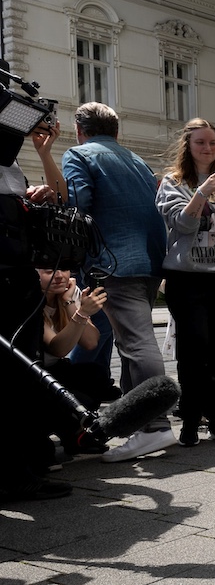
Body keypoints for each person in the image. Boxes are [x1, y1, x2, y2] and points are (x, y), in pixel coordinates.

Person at [62, 102, 178, 462]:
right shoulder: (136, 160)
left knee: (137, 344)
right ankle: (137, 426)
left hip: (112, 260)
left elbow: (78, 204)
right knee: (130, 347)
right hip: (148, 258)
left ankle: (156, 427)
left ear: (80, 130)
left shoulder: (78, 155)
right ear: (116, 132)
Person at [156, 118, 215, 447]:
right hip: (188, 279)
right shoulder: (173, 182)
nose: (209, 148)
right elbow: (182, 225)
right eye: (201, 142)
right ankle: (195, 419)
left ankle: (209, 413)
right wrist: (202, 191)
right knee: (193, 349)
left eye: (214, 143)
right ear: (188, 146)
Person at [1, 115, 74, 500]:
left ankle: (24, 464)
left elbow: (62, 196)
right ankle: (14, 471)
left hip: (17, 272)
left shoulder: (10, 164)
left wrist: (44, 154)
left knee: (23, 371)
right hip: (6, 277)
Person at [38, 267, 111, 456]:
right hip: (33, 373)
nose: (60, 276)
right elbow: (58, 348)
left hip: (55, 368)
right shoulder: (30, 299)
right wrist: (81, 313)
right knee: (72, 398)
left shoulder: (69, 293)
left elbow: (90, 342)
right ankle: (46, 436)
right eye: (49, 271)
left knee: (96, 376)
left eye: (64, 269)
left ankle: (74, 434)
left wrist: (71, 303)